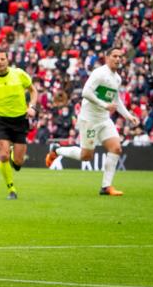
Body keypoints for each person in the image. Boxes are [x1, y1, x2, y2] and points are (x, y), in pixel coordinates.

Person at [45, 48, 139, 196]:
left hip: (104, 119)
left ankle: (106, 187)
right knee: (86, 156)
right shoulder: (99, 73)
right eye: (114, 56)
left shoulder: (117, 79)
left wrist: (128, 116)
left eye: (120, 57)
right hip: (89, 120)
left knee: (116, 148)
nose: (118, 59)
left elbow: (116, 100)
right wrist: (104, 105)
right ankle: (56, 150)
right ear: (107, 57)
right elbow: (86, 93)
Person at [0, 50, 38, 199]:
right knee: (3, 156)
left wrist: (32, 106)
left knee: (18, 163)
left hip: (20, 120)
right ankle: (11, 189)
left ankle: (14, 156)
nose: (0, 61)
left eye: (2, 59)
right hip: (1, 121)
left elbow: (33, 91)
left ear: (7, 60)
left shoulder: (19, 74)